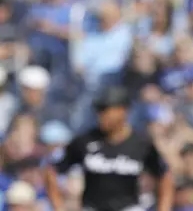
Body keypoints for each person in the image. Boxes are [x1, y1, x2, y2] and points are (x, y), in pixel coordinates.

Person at [45, 85, 174, 211]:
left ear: (123, 111)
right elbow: (52, 170)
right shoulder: (85, 141)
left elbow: (164, 175)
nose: (101, 115)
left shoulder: (141, 143)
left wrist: (164, 208)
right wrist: (58, 206)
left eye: (106, 109)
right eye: (99, 110)